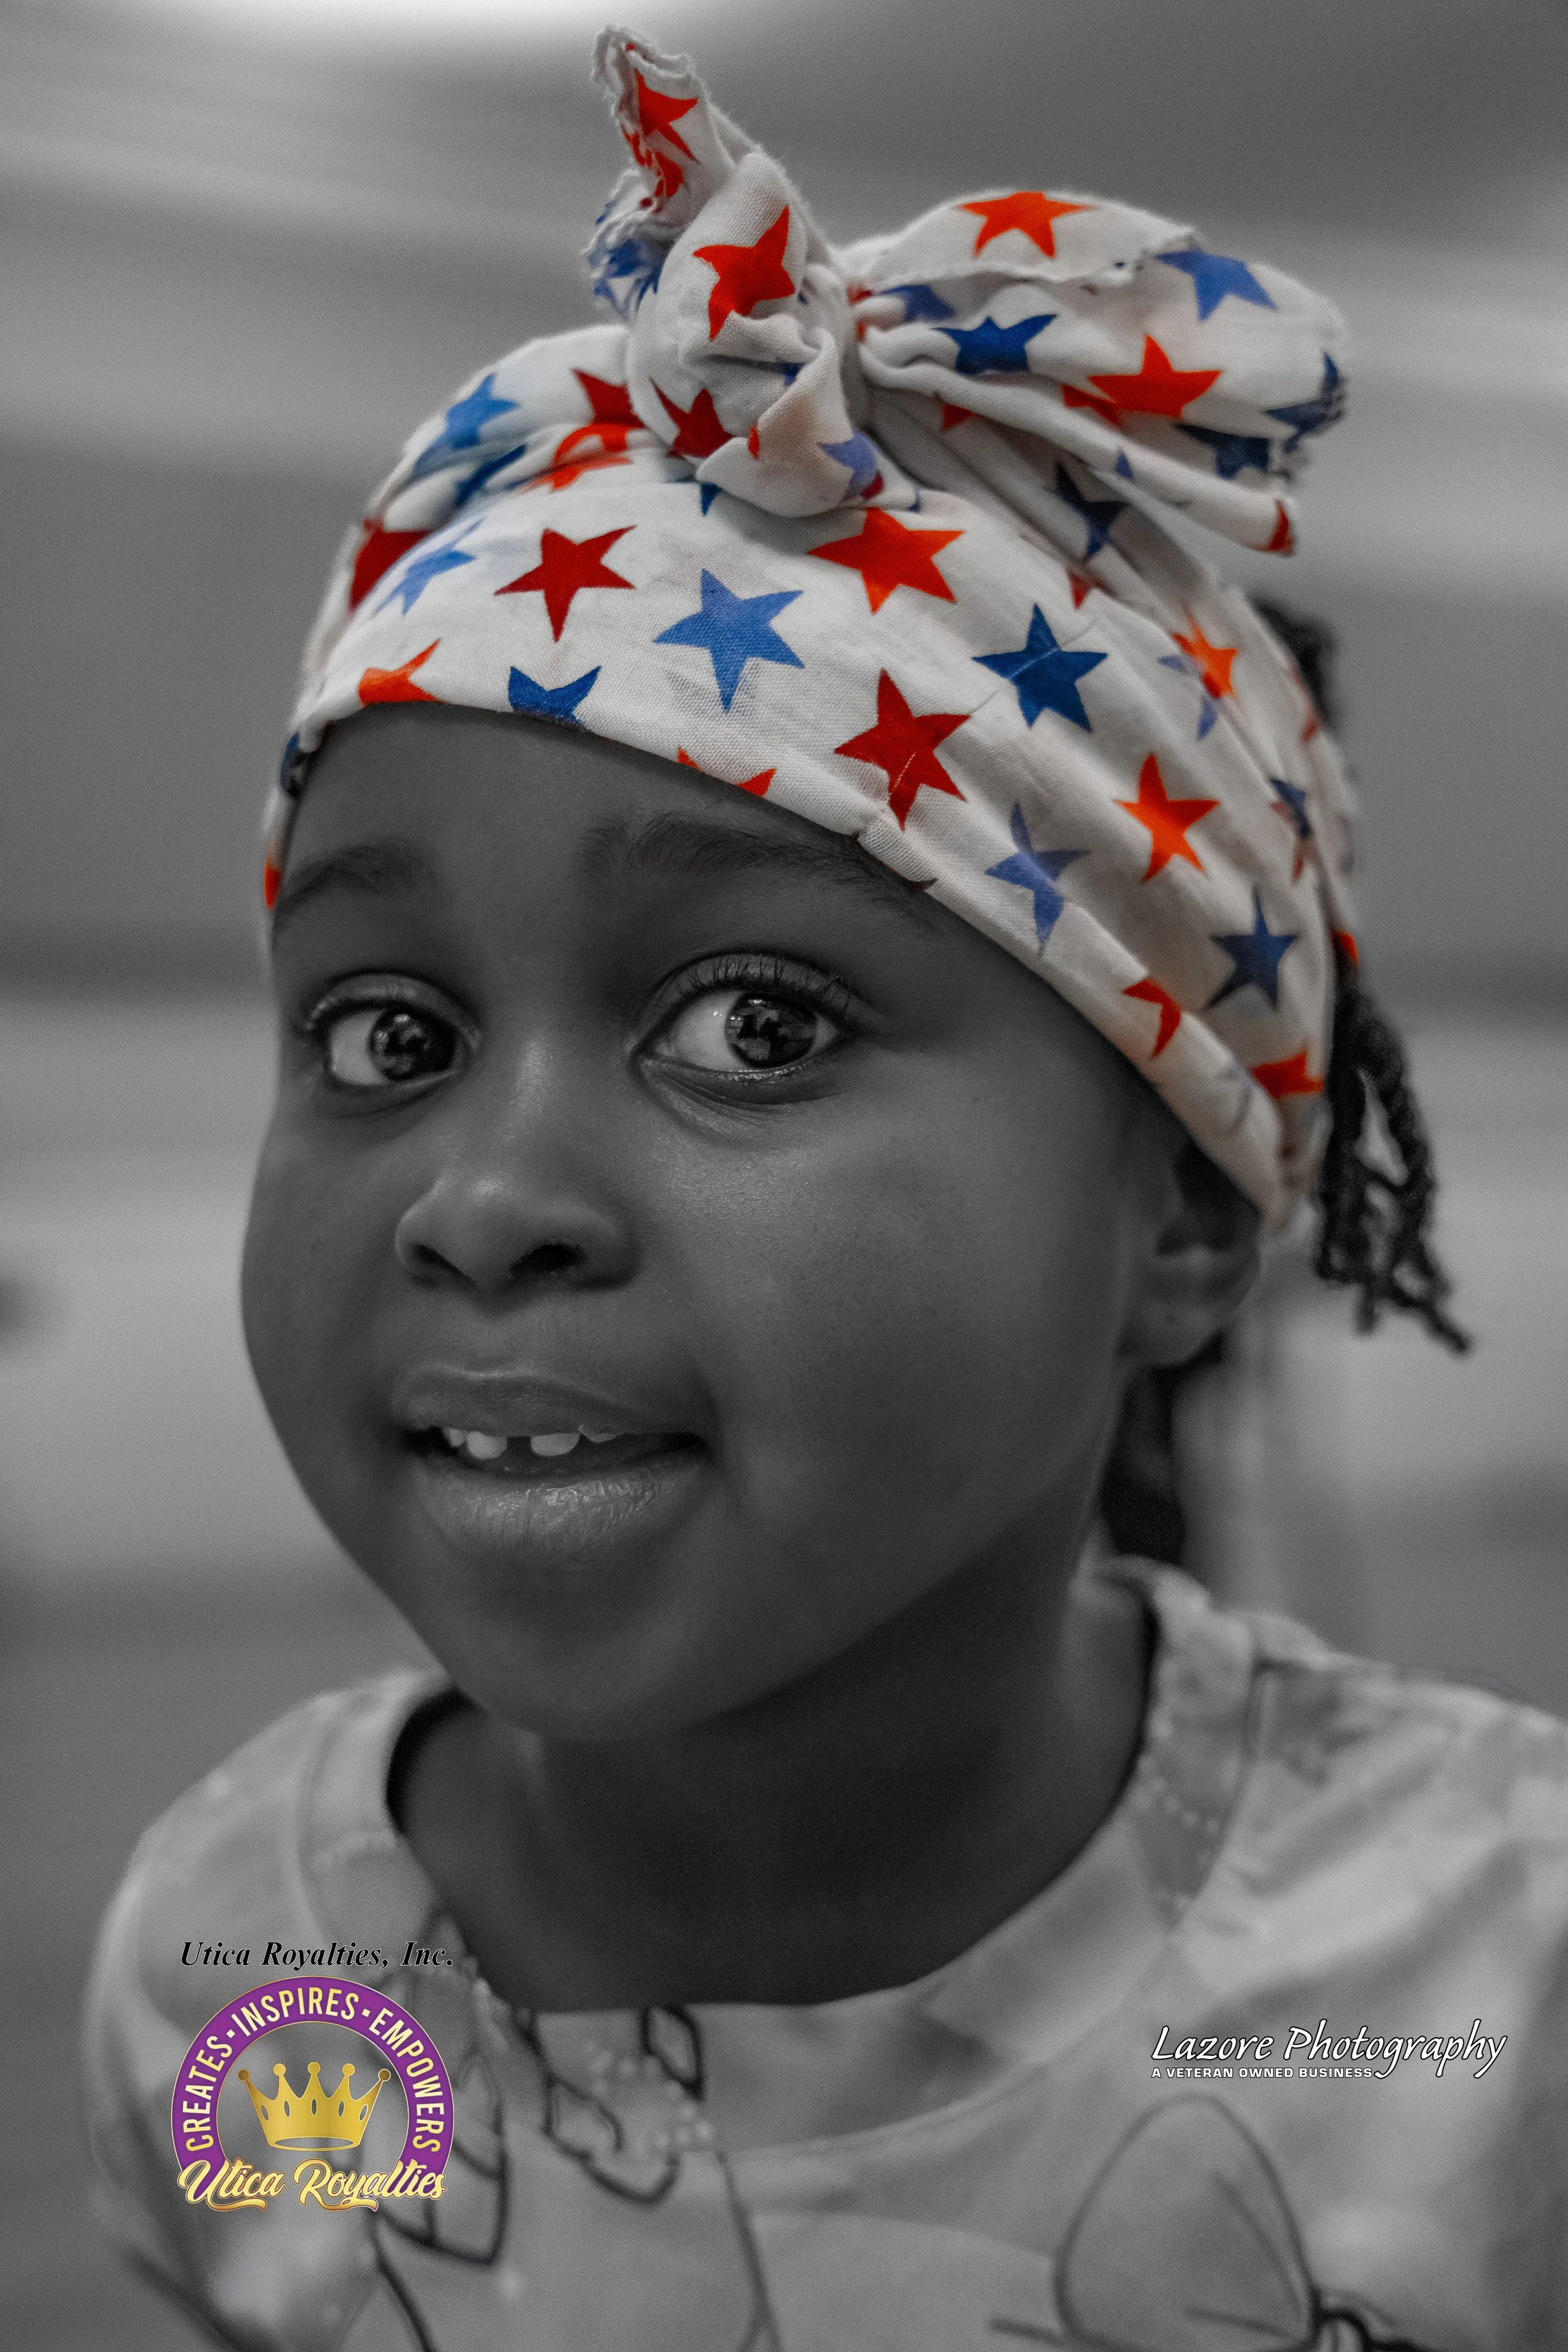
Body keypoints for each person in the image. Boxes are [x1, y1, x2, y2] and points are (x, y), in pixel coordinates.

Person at [83, 29, 1566, 2349]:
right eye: (388, 1032)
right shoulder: (233, 1968)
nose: (487, 1198)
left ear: (1178, 1221)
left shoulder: (1483, 1989)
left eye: (755, 1024)